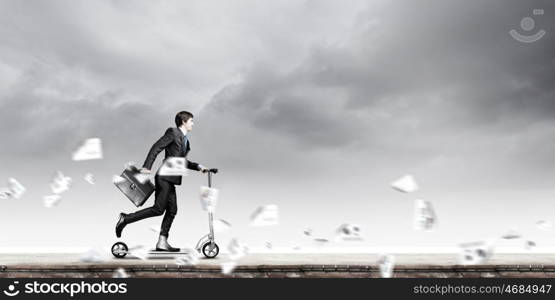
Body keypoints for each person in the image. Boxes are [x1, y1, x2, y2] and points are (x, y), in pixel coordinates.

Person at [115, 111, 207, 252]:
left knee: (172, 210)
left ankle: (162, 242)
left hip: (170, 179)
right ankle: (126, 218)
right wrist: (147, 166)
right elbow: (156, 147)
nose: (193, 123)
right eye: (191, 121)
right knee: (159, 209)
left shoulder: (185, 140)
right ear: (184, 121)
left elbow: (180, 161)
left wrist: (198, 166)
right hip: (164, 177)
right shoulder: (173, 132)